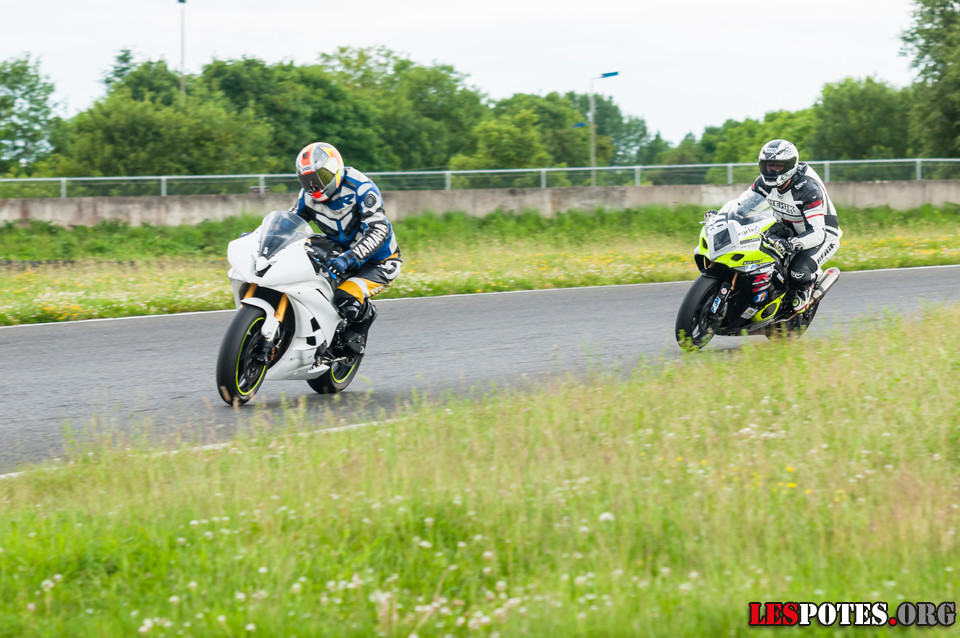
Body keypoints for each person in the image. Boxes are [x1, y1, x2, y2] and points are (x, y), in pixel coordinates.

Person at [292, 142, 401, 354]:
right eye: (308, 180)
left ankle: (363, 319)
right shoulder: (306, 196)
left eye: (320, 178)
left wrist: (349, 258)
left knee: (346, 298)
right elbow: (291, 222)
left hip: (378, 262)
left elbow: (379, 230)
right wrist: (262, 236)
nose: (314, 186)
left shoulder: (362, 188)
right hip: (339, 253)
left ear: (335, 168)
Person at [715, 139, 842, 313]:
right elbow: (742, 206)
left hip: (822, 235)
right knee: (755, 248)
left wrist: (791, 244)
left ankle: (805, 290)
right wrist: (722, 216)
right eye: (768, 166)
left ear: (790, 165)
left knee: (797, 273)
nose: (771, 171)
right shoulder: (764, 183)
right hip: (786, 224)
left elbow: (817, 233)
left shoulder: (808, 190)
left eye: (777, 166)